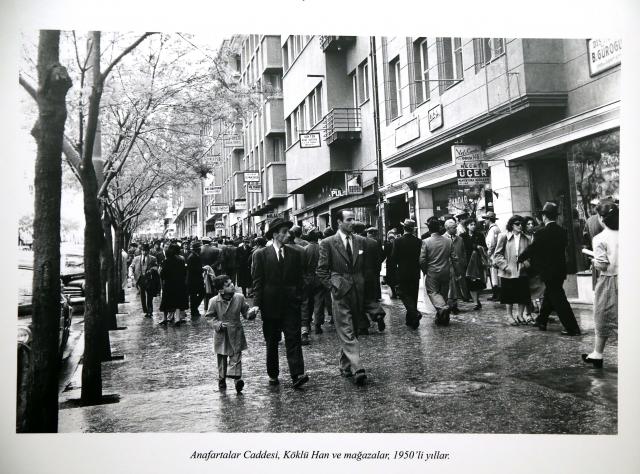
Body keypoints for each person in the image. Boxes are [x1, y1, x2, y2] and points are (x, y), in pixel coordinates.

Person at [252, 217, 309, 389]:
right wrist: (256, 304)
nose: (288, 234)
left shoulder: (295, 254)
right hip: (270, 306)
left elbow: (301, 279)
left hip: (291, 305)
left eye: (288, 231)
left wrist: (299, 297)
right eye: (284, 232)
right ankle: (273, 374)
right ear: (275, 234)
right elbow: (258, 282)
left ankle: (297, 374)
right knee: (272, 341)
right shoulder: (261, 255)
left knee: (293, 339)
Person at [317, 209, 368, 385]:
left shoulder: (361, 241)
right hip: (340, 291)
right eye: (348, 219)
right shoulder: (328, 243)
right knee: (346, 328)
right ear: (338, 222)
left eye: (353, 219)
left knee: (353, 327)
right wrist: (332, 287)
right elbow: (322, 270)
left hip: (358, 291)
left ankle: (345, 365)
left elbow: (366, 267)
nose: (352, 222)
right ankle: (357, 367)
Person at [518, 202, 582, 336]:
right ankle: (541, 320)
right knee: (550, 294)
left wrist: (521, 257)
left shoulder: (541, 233)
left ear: (545, 217)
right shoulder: (562, 231)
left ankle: (572, 328)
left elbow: (533, 249)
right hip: (560, 270)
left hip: (548, 271)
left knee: (559, 299)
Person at [582, 200, 618, 368]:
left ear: (601, 218)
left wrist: (595, 260)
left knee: (603, 316)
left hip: (610, 280)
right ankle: (597, 353)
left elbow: (603, 265)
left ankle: (598, 353)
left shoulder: (600, 238)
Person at [206, 274, 256, 393]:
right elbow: (209, 317)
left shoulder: (239, 297)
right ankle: (221, 379)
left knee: (236, 357)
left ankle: (237, 381)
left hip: (236, 331)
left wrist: (252, 313)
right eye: (228, 285)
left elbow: (246, 312)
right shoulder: (214, 301)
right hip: (222, 334)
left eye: (232, 282)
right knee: (222, 358)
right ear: (221, 290)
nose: (232, 285)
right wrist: (217, 325)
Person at [493, 215, 533, 325]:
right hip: (508, 271)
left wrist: (526, 263)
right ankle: (509, 316)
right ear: (511, 225)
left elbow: (530, 254)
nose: (520, 226)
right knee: (508, 295)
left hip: (522, 270)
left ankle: (520, 315)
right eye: (517, 224)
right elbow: (497, 255)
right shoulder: (504, 236)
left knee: (523, 294)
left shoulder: (527, 238)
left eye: (521, 224)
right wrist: (505, 266)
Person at [420, 218, 456, 326]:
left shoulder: (426, 242)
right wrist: (457, 272)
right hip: (446, 271)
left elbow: (422, 260)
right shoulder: (448, 241)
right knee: (443, 294)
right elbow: (454, 258)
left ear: (429, 229)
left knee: (433, 292)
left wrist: (425, 270)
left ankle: (444, 308)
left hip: (432, 271)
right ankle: (442, 318)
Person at [392, 218, 423, 329]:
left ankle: (414, 314)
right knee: (413, 295)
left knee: (403, 294)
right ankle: (411, 320)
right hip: (415, 272)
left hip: (402, 272)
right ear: (413, 229)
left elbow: (394, 258)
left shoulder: (398, 241)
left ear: (403, 228)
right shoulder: (418, 241)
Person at [301, 229, 324, 341]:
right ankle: (318, 325)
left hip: (307, 279)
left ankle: (307, 324)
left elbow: (302, 266)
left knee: (306, 302)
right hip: (319, 279)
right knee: (319, 302)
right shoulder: (322, 248)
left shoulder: (304, 250)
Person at [460, 218, 487, 310]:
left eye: (474, 224)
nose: (473, 226)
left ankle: (477, 299)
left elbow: (485, 247)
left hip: (477, 262)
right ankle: (476, 302)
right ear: (467, 226)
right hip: (467, 262)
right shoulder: (462, 236)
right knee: (470, 282)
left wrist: (479, 247)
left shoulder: (480, 235)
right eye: (471, 224)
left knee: (478, 283)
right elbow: (461, 249)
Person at [444, 218, 470, 314]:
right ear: (447, 228)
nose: (455, 229)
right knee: (451, 287)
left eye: (455, 227)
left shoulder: (460, 239)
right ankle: (451, 305)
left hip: (459, 266)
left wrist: (464, 262)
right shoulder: (443, 239)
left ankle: (455, 304)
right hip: (448, 266)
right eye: (453, 227)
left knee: (459, 286)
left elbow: (463, 252)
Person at [159, 243, 189, 325]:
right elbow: (184, 273)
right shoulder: (181, 260)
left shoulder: (165, 261)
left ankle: (165, 318)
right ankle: (177, 318)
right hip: (179, 283)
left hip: (168, 284)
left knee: (165, 301)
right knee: (177, 301)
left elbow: (162, 275)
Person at [128, 243, 158, 318]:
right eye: (143, 251)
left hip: (149, 279)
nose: (144, 252)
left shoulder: (153, 258)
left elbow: (156, 267)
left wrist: (152, 269)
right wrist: (131, 274)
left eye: (146, 251)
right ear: (141, 251)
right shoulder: (136, 258)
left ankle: (150, 311)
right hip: (140, 279)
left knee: (150, 295)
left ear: (148, 251)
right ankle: (145, 310)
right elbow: (131, 266)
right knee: (142, 296)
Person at [482, 211, 502, 302]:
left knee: (494, 275)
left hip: (493, 255)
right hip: (496, 254)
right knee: (495, 274)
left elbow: (492, 244)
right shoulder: (495, 228)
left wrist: (488, 255)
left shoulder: (493, 229)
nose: (485, 221)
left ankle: (497, 294)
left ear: (489, 219)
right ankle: (496, 294)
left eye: (486, 219)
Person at [186, 240, 205, 319]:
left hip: (195, 279)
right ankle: (194, 310)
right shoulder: (192, 257)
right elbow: (193, 269)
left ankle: (194, 309)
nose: (201, 249)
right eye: (199, 248)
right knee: (199, 294)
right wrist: (202, 269)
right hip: (194, 280)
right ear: (197, 249)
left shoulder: (194, 256)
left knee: (196, 295)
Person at [366, 226, 384, 301]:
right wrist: (380, 260)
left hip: (369, 264)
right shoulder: (378, 240)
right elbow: (381, 253)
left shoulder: (366, 240)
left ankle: (372, 295)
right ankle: (377, 295)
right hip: (377, 263)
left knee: (371, 280)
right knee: (376, 279)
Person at [383, 231, 399, 299]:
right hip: (394, 264)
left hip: (390, 264)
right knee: (395, 279)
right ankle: (395, 292)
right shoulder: (396, 244)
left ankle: (394, 293)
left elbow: (384, 254)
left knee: (392, 279)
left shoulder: (387, 244)